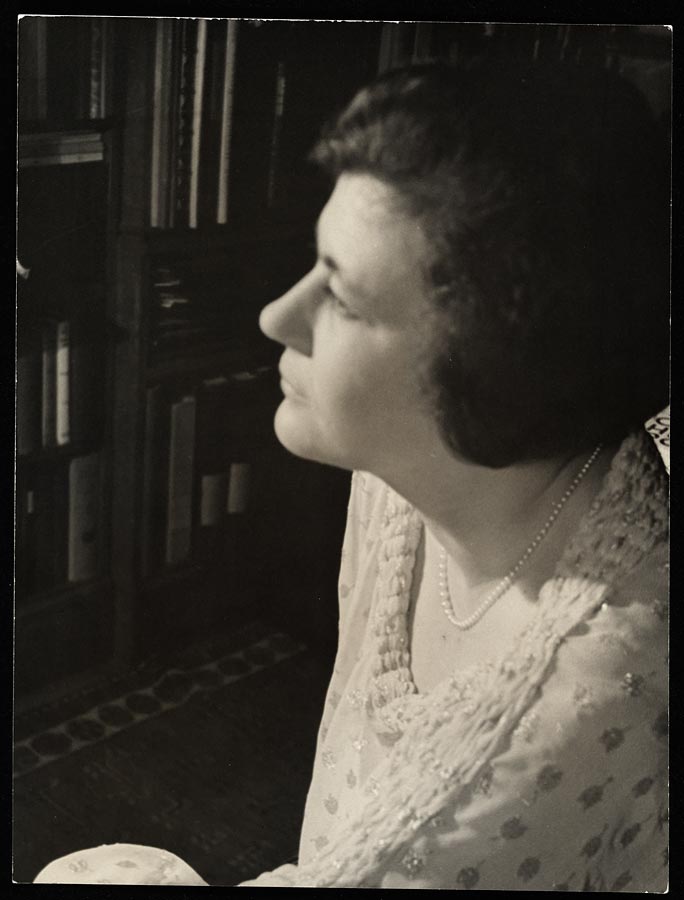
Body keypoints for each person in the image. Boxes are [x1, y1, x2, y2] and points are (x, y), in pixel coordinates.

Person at [35, 54, 669, 890]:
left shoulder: (567, 707)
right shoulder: (402, 474)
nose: (276, 316)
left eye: (342, 296)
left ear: (497, 363)